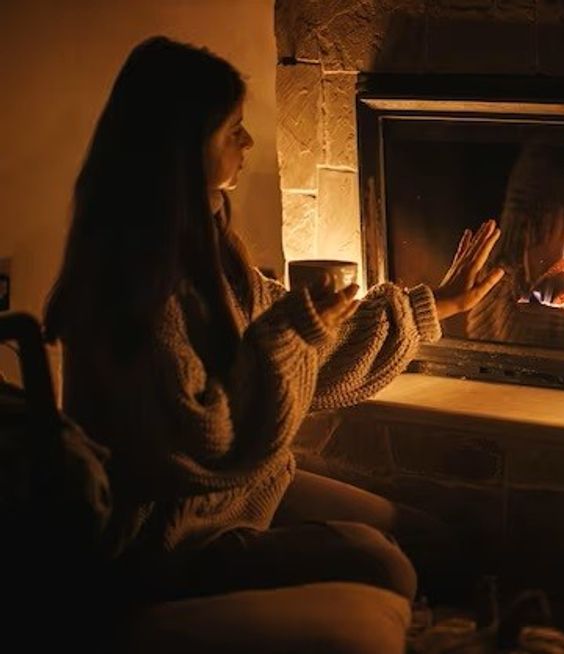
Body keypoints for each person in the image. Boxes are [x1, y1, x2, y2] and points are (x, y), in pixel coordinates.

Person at [41, 36, 503, 610]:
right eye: (232, 128)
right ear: (181, 146)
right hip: (169, 540)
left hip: (246, 494)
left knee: (425, 535)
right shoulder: (132, 289)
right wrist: (291, 335)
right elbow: (208, 445)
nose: (248, 141)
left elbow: (314, 361)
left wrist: (433, 305)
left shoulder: (213, 252)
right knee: (386, 563)